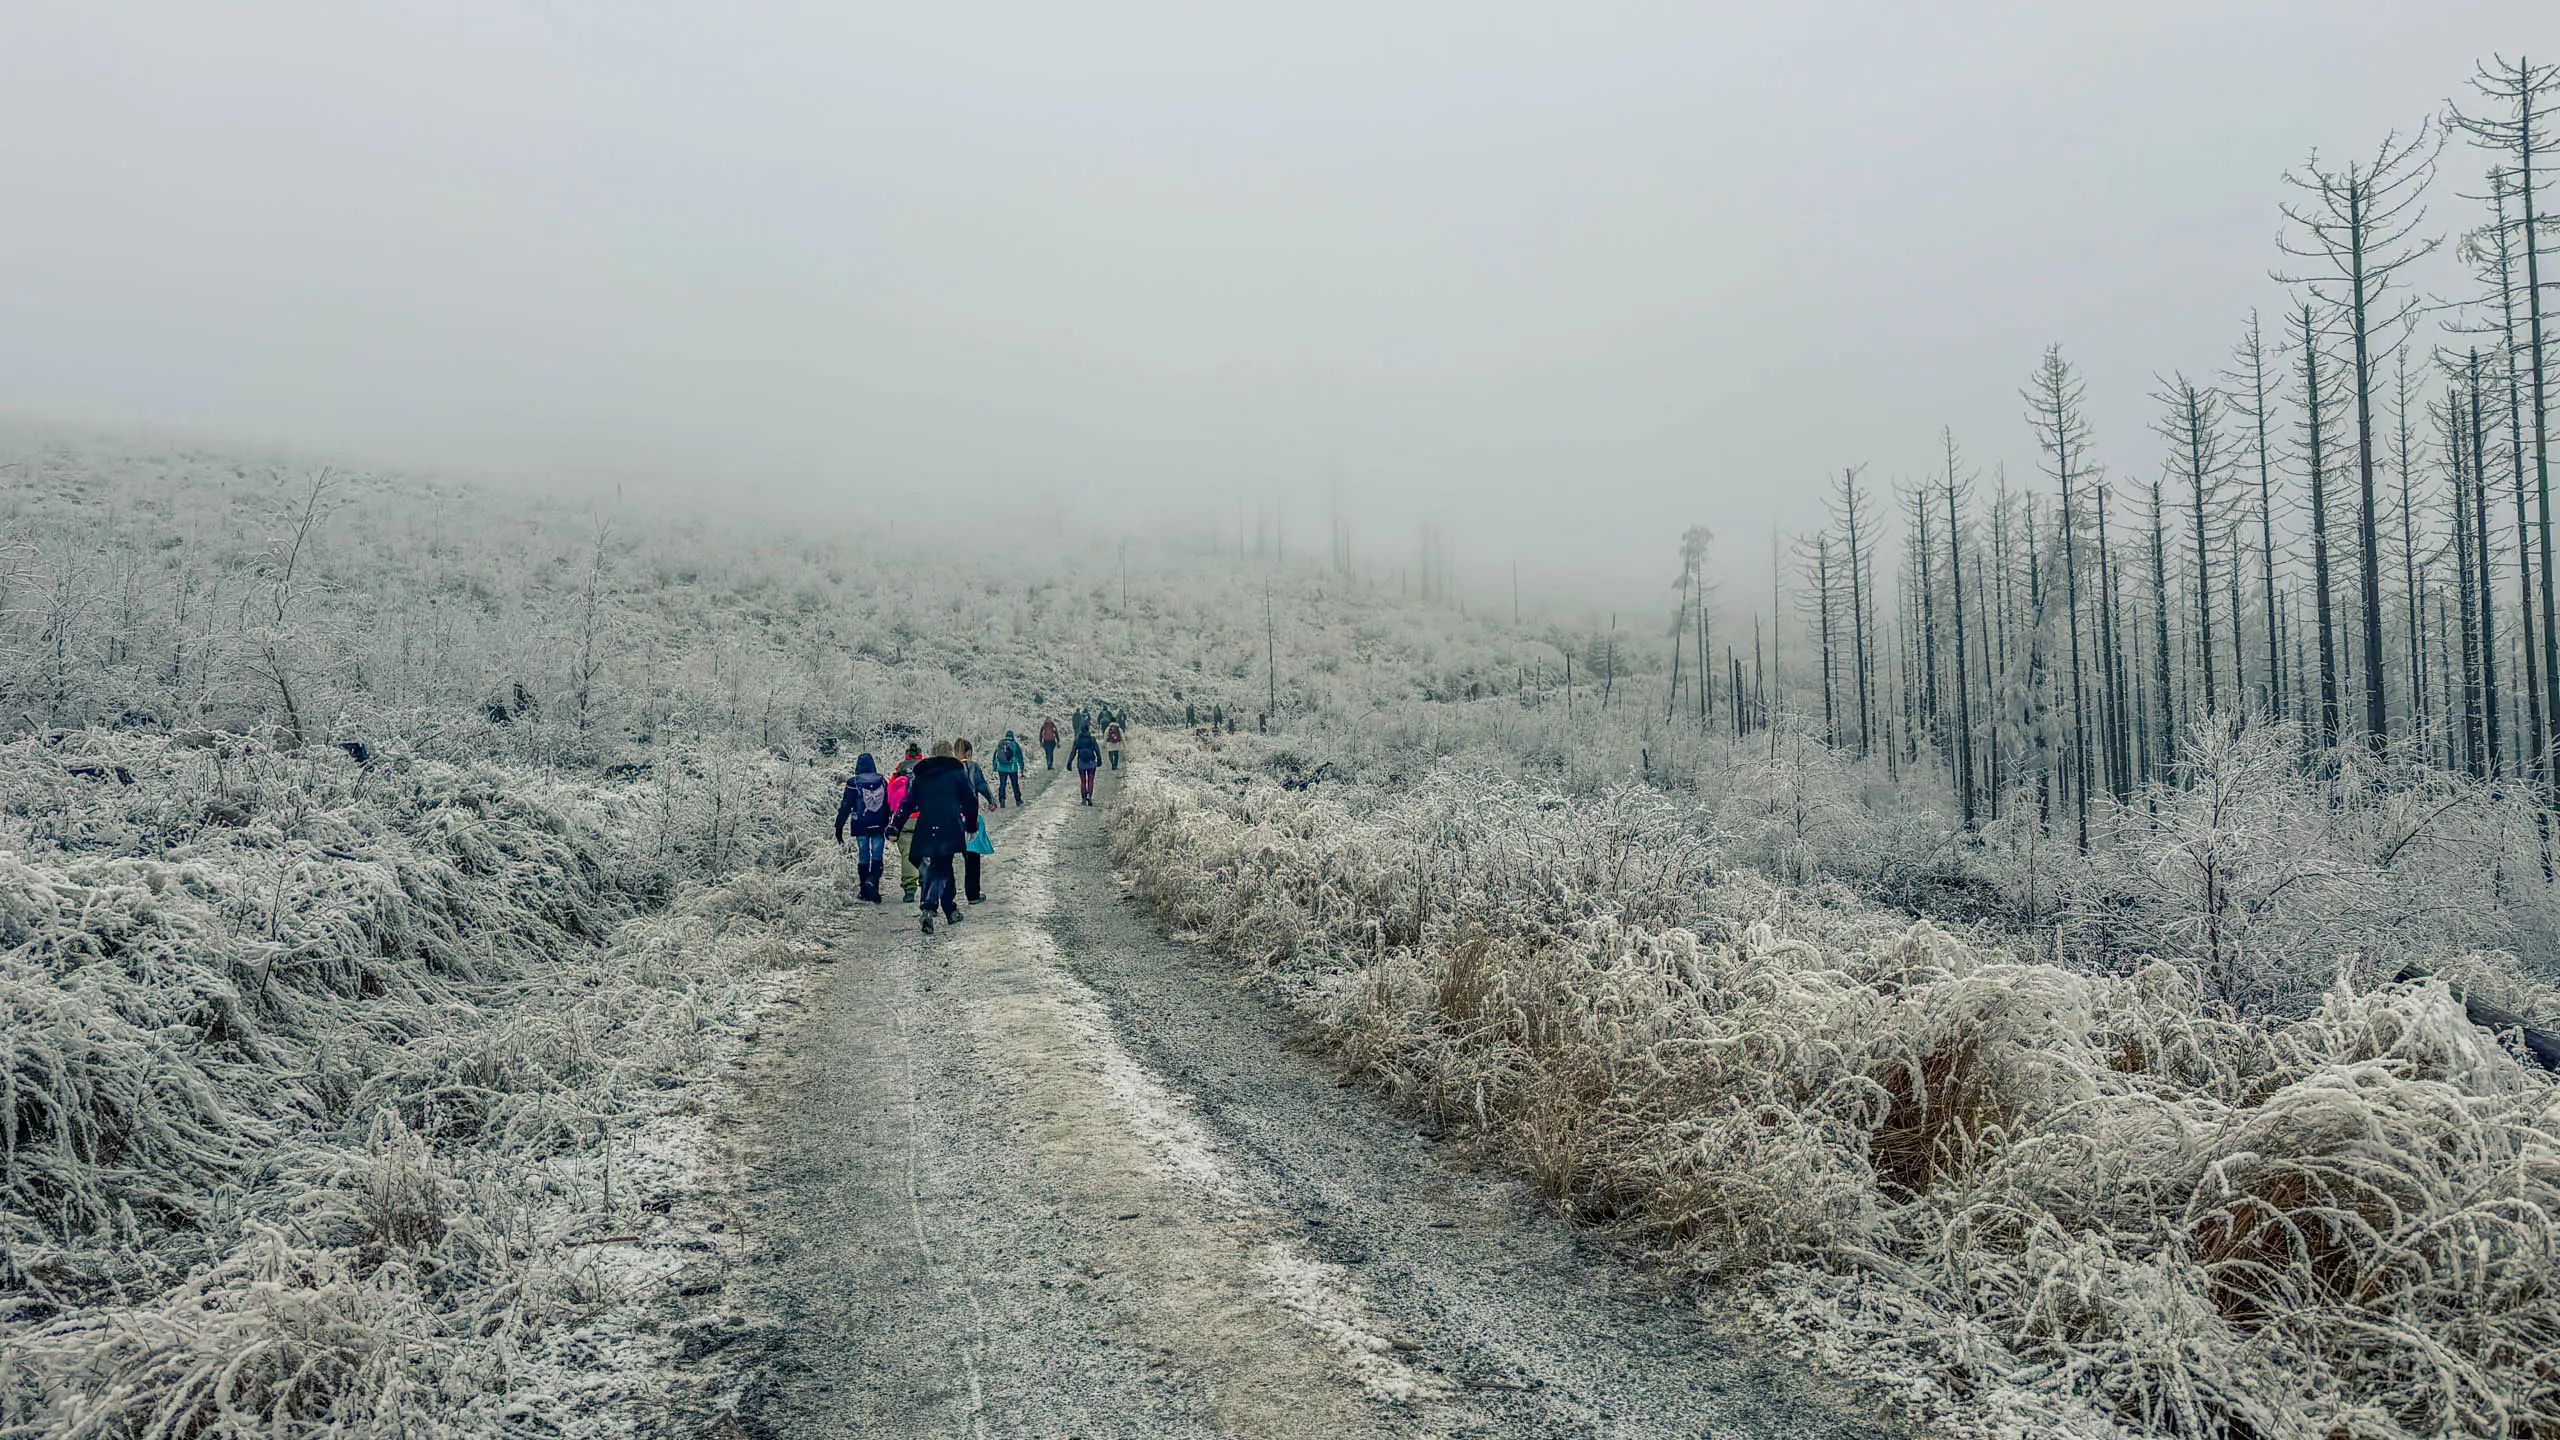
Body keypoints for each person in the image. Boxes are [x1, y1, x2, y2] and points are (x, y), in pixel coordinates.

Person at [892, 740, 978, 933]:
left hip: (926, 826)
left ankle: (949, 909)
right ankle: (930, 908)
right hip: (949, 826)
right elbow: (970, 801)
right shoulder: (957, 774)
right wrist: (971, 825)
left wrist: (895, 825)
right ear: (950, 755)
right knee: (942, 867)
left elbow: (908, 803)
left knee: (937, 865)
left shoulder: (922, 776)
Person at [833, 753, 892, 903]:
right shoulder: (881, 781)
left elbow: (846, 806)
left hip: (860, 824)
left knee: (864, 855)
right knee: (877, 855)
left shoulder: (853, 782)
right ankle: (874, 886)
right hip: (879, 824)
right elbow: (888, 804)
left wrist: (839, 827)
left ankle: (865, 890)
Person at [956, 739, 995, 904]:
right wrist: (992, 800)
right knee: (972, 855)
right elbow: (981, 785)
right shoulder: (972, 767)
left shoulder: (950, 768)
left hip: (952, 817)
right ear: (969, 752)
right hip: (970, 816)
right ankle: (972, 894)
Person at [885, 764, 917, 902]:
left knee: (906, 855)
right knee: (925, 853)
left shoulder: (897, 780)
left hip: (903, 820)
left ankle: (909, 889)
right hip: (921, 818)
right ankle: (925, 881)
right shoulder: (922, 777)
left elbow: (890, 801)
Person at [991, 730, 1027, 807]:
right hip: (1012, 768)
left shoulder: (1000, 743)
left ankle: (1002, 800)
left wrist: (994, 767)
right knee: (1015, 784)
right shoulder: (1015, 744)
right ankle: (1018, 800)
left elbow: (995, 756)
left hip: (1001, 768)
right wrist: (1022, 768)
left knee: (1002, 784)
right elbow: (1020, 757)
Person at [1071, 725, 1103, 805]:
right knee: (1090, 780)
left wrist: (1069, 762)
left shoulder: (1078, 739)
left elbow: (1073, 751)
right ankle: (1090, 797)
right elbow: (1097, 749)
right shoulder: (1092, 739)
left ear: (1081, 730)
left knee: (1083, 781)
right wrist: (1099, 759)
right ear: (1088, 730)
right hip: (1091, 762)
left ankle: (1084, 799)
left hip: (1081, 762)